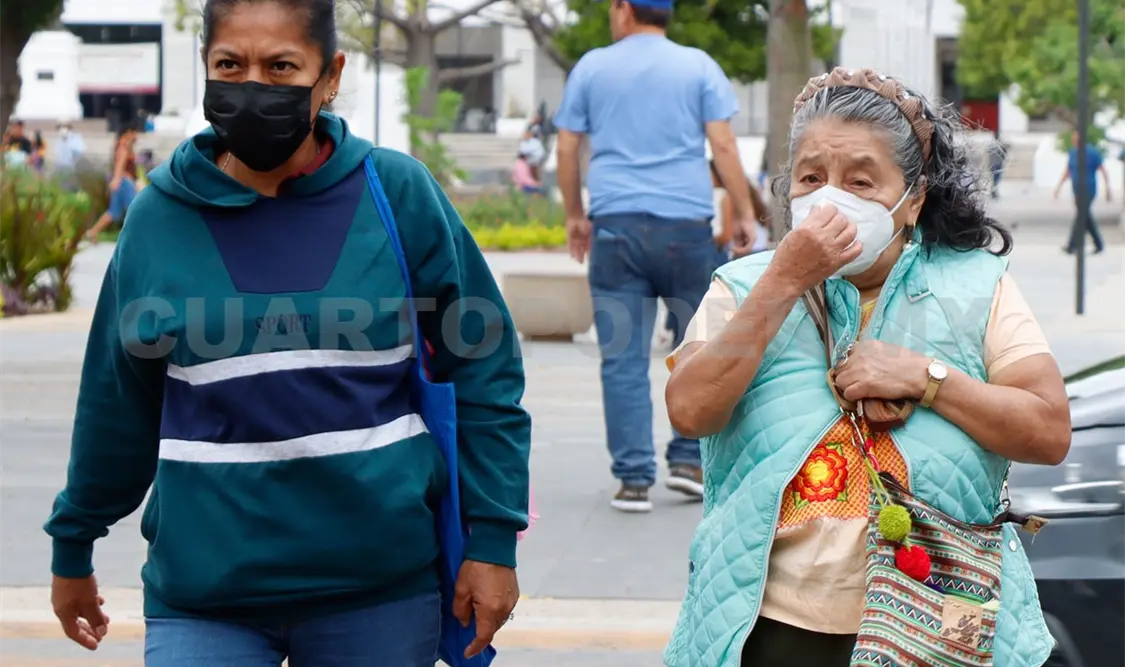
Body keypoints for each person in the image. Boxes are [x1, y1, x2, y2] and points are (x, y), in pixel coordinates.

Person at [43, 0, 530, 665]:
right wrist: (75, 541)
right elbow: (115, 400)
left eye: (280, 66)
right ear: (206, 69)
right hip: (205, 598)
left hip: (380, 596)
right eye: (229, 64)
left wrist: (493, 540)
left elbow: (485, 368)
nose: (252, 87)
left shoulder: (395, 193)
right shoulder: (159, 218)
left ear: (328, 75)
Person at [663, 68, 1070, 666]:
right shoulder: (743, 286)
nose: (831, 198)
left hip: (935, 619)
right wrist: (783, 280)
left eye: (861, 181)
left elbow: (1048, 430)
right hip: (772, 626)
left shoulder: (977, 287)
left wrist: (929, 380)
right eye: (811, 178)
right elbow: (690, 410)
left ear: (914, 201)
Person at [554, 0, 755, 513]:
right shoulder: (698, 66)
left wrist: (576, 215)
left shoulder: (592, 67)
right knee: (699, 346)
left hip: (616, 227)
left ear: (623, 10)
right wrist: (746, 214)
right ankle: (688, 461)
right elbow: (724, 147)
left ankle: (633, 477)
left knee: (621, 355)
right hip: (685, 230)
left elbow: (566, 149)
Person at [1054, 129, 1111, 254]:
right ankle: (1099, 244)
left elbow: (1103, 170)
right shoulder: (1073, 152)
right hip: (1077, 190)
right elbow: (1068, 171)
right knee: (1085, 217)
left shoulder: (1092, 152)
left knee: (1081, 216)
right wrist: (1058, 187)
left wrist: (1108, 189)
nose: (1074, 138)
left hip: (1089, 189)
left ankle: (1072, 245)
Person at [85, 124, 140, 242]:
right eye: (135, 132)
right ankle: (135, 237)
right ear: (129, 132)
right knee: (135, 209)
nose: (137, 136)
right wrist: (116, 180)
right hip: (124, 182)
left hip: (122, 181)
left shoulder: (122, 145)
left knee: (114, 212)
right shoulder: (123, 146)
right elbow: (120, 164)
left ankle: (93, 232)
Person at [710, 159, 769, 257]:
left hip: (744, 253)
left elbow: (726, 236)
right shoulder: (748, 195)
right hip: (761, 249)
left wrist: (701, 241)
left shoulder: (728, 197)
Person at [986, 129, 1008, 199]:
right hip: (997, 164)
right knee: (996, 179)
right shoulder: (999, 144)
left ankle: (993, 191)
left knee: (995, 179)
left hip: (994, 164)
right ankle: (993, 192)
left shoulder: (992, 144)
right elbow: (1004, 153)